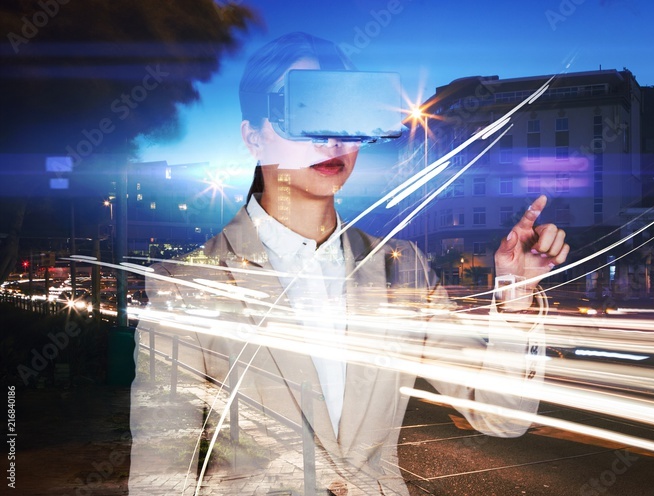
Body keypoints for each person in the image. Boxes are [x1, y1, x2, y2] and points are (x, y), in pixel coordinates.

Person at [129, 32, 569, 495]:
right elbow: (160, 474)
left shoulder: (405, 270)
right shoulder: (187, 285)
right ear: (253, 137)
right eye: (302, 111)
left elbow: (499, 417)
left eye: (341, 112)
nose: (330, 139)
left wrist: (514, 301)